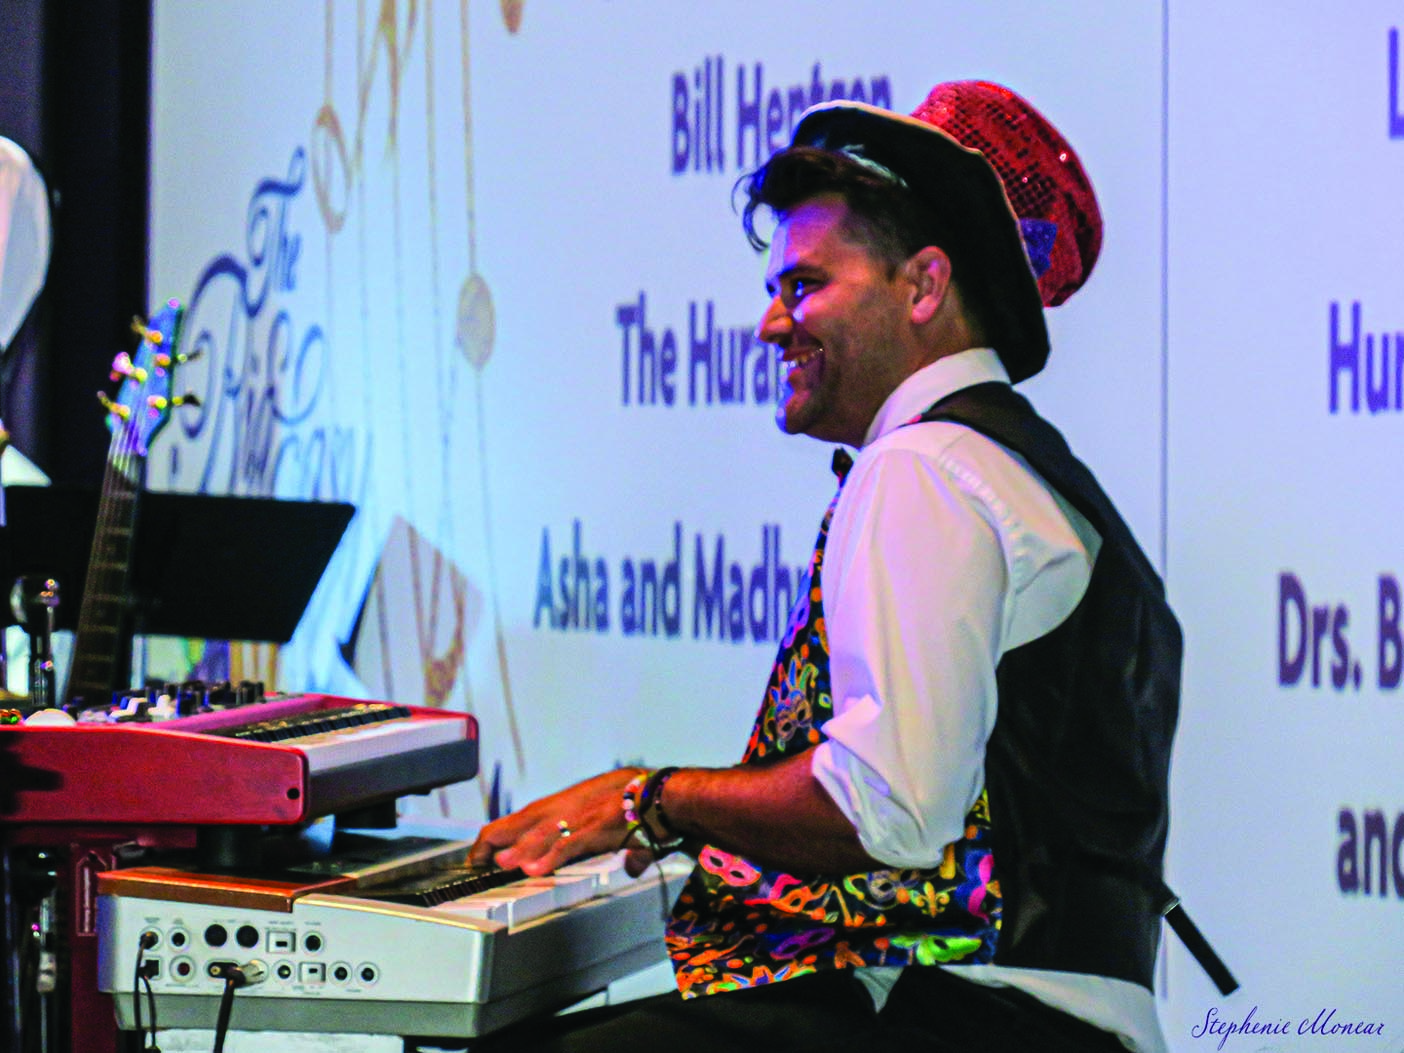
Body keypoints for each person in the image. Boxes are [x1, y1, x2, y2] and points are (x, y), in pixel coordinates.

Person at [467, 81, 1181, 1053]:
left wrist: (650, 800)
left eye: (803, 286)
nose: (770, 324)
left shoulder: (924, 467)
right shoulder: (1017, 463)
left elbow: (884, 808)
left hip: (976, 1010)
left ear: (923, 286)